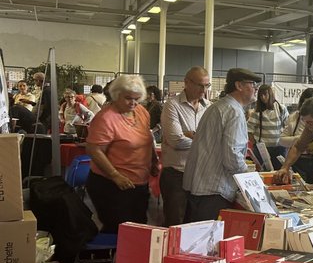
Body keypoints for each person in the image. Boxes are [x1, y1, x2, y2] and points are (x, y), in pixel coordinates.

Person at [183, 68, 260, 222]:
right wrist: (252, 179)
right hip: (214, 191)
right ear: (239, 85)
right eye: (252, 84)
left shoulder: (219, 106)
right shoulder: (234, 112)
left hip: (200, 187)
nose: (256, 88)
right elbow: (232, 157)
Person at [85, 75, 158, 233]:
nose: (133, 103)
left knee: (139, 227)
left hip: (139, 182)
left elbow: (146, 138)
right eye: (128, 98)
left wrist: (153, 160)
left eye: (137, 99)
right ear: (116, 95)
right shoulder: (106, 118)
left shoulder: (141, 112)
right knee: (118, 230)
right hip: (111, 185)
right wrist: (115, 175)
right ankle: (113, 257)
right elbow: (94, 150)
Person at [161, 66, 210, 226]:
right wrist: (203, 139)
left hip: (201, 176)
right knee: (176, 225)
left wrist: (192, 135)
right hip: (177, 174)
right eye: (200, 85)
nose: (203, 90)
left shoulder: (209, 108)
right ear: (186, 82)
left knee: (195, 225)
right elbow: (176, 140)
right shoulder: (172, 105)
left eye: (207, 85)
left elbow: (216, 140)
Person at [279, 88, 313, 184]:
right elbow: (281, 140)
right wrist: (301, 139)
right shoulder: (294, 117)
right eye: (305, 103)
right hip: (297, 160)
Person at [247, 84, 289, 170]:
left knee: (280, 172)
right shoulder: (256, 112)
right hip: (262, 149)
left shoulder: (281, 108)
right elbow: (249, 130)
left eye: (265, 94)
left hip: (279, 148)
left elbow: (288, 126)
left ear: (270, 94)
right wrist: (256, 143)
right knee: (262, 172)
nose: (263, 97)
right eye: (261, 95)